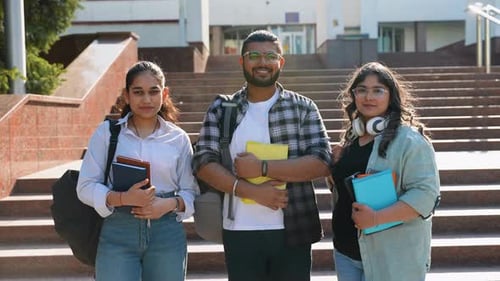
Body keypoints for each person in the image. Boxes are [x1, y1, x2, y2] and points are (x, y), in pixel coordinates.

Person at [192, 30, 331, 281]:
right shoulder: (224, 108)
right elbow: (203, 162)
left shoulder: (303, 107)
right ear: (242, 61)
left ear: (281, 61)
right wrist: (252, 191)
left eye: (270, 56)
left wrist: (263, 168)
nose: (262, 62)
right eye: (254, 55)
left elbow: (322, 161)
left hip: (294, 228)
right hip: (239, 231)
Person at [77, 61, 199, 281]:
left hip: (166, 232)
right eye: (138, 92)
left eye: (154, 92)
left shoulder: (178, 138)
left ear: (165, 93)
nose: (146, 99)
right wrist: (123, 198)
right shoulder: (107, 133)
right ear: (126, 95)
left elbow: (191, 191)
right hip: (118, 230)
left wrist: (169, 204)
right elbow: (85, 186)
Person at [328, 62, 441, 281]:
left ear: (392, 96)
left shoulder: (410, 142)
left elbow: (426, 196)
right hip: (346, 253)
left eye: (378, 90)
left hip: (391, 257)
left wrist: (377, 218)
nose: (368, 96)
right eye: (361, 90)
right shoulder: (351, 139)